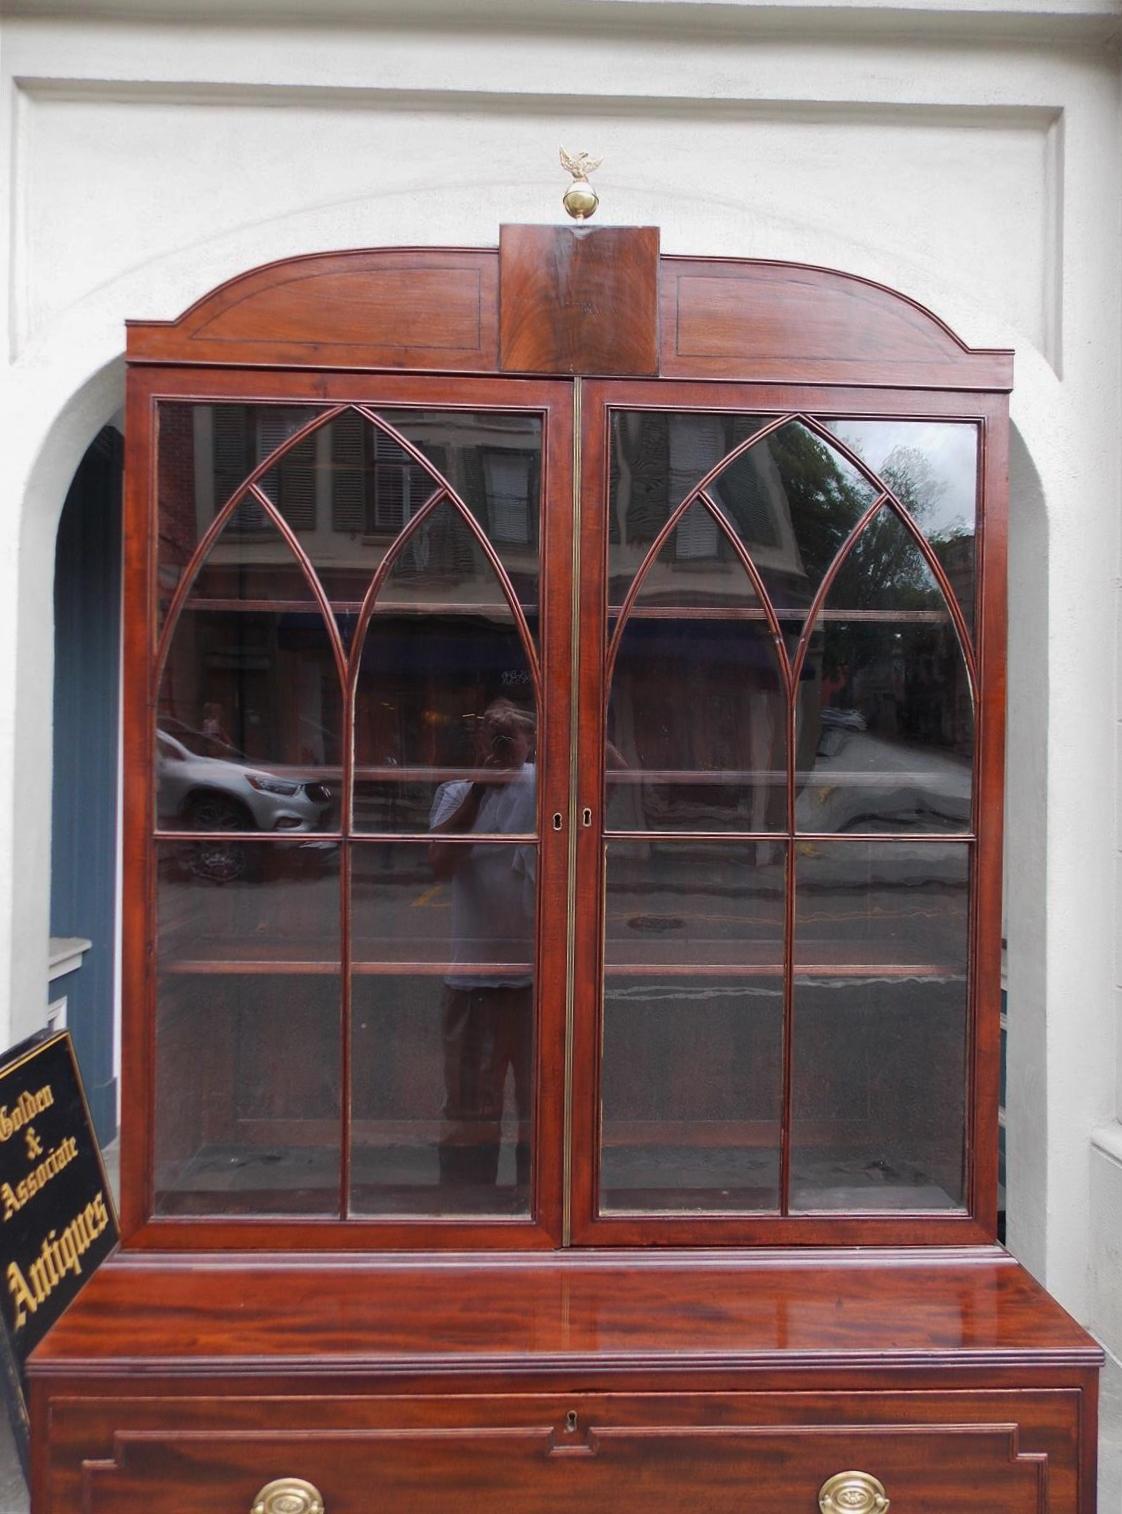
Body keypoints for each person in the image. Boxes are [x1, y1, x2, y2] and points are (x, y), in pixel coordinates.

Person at [428, 700, 536, 1201]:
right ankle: (467, 1215)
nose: (502, 748)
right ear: (477, 744)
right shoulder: (455, 793)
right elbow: (439, 863)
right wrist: (480, 787)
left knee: (545, 1110)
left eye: (510, 737)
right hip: (473, 982)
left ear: (529, 741)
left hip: (538, 981)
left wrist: (559, 735)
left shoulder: (544, 783)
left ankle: (535, 1209)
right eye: (492, 738)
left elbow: (617, 772)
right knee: (470, 1110)